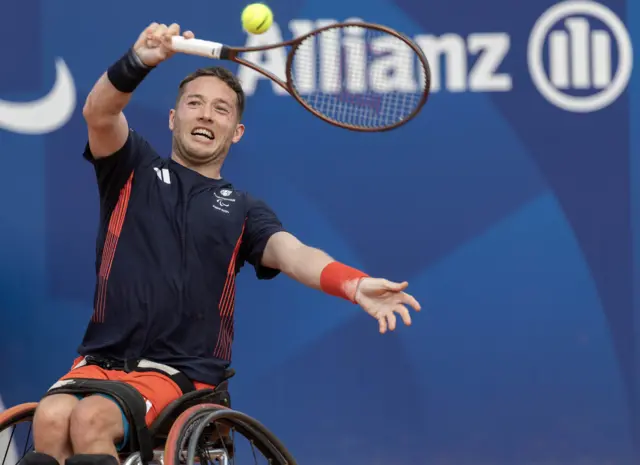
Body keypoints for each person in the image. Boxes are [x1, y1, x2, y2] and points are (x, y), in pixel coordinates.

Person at [23, 22, 421, 465]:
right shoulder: (130, 168)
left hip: (180, 374)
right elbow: (99, 113)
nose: (206, 115)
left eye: (221, 109)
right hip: (101, 359)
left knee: (91, 420)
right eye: (194, 104)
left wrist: (355, 283)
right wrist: (138, 62)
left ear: (236, 132)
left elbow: (296, 255)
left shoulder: (244, 210)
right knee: (52, 419)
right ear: (174, 119)